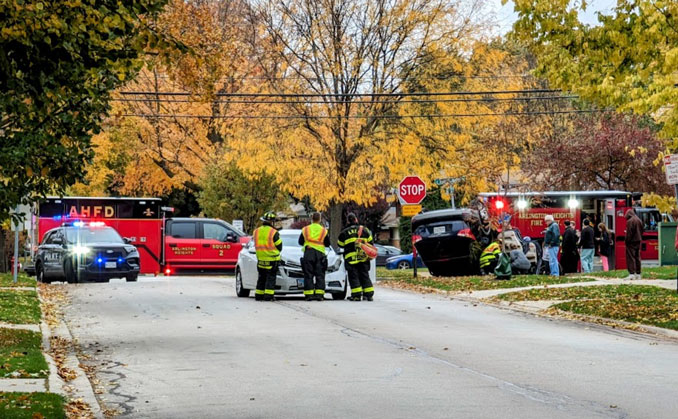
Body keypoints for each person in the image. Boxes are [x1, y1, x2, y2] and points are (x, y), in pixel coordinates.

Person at [338, 213, 375, 301]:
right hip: (363, 258)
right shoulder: (365, 230)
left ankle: (356, 295)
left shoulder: (344, 232)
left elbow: (340, 245)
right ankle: (368, 295)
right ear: (356, 219)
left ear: (348, 221)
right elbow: (371, 243)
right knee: (364, 275)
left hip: (351, 259)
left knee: (353, 276)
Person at [298, 212, 330, 301]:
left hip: (308, 253)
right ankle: (319, 295)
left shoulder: (305, 229)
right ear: (319, 219)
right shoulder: (323, 230)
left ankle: (309, 295)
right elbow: (328, 243)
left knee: (308, 274)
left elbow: (300, 242)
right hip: (319, 254)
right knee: (320, 275)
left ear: (312, 219)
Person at [252, 211, 283, 301]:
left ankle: (258, 295)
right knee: (271, 278)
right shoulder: (274, 232)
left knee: (261, 278)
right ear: (272, 222)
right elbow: (279, 246)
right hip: (272, 259)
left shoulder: (256, 231)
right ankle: (268, 296)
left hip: (260, 259)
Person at [624, 209, 644, 280]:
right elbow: (642, 230)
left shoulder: (630, 221)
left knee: (630, 257)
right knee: (637, 257)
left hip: (631, 241)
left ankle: (631, 273)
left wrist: (626, 241)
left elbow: (629, 233)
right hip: (638, 240)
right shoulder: (639, 220)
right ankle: (638, 273)